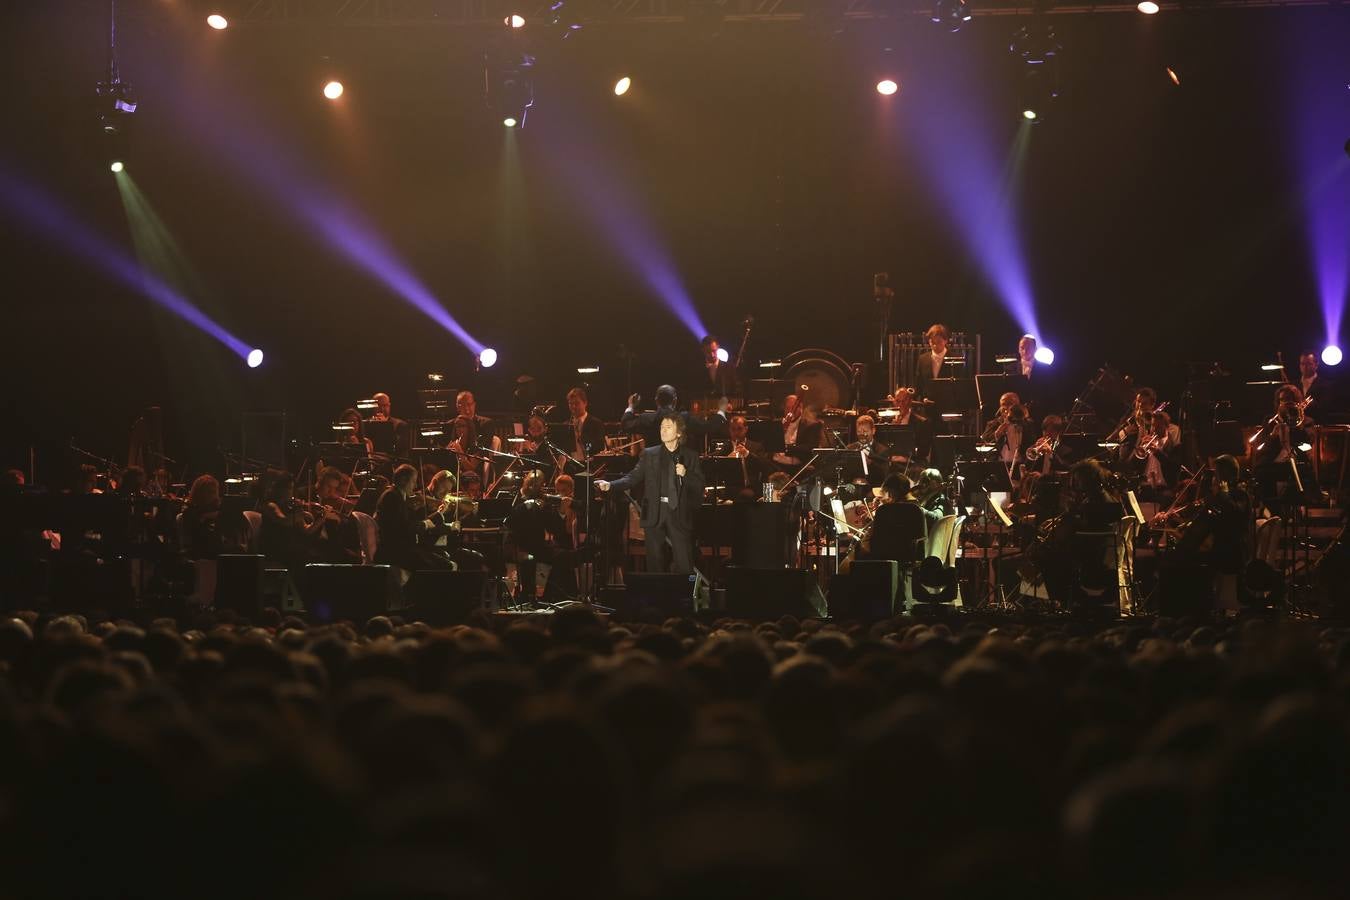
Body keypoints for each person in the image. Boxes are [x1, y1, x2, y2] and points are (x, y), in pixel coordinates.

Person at [597, 414, 705, 574]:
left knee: (684, 564)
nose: (663, 430)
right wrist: (611, 485)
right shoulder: (649, 454)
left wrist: (686, 474)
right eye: (662, 427)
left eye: (668, 427)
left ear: (679, 432)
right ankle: (657, 590)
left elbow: (699, 486)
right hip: (654, 512)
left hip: (679, 513)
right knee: (655, 563)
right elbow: (633, 477)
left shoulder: (690, 456)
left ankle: (687, 588)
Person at [374, 464, 450, 570]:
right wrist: (429, 521)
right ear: (403, 481)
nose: (415, 486)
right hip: (396, 551)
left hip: (402, 547)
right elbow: (405, 528)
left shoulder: (396, 495)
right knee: (446, 566)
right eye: (413, 481)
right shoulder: (392, 496)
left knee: (442, 560)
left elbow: (404, 523)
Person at [621, 384, 727, 448]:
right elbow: (709, 427)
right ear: (675, 401)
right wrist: (721, 411)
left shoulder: (646, 418)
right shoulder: (684, 418)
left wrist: (631, 406)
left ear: (656, 401)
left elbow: (625, 424)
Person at [179, 474, 246, 560]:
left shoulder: (219, 510)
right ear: (200, 493)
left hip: (219, 549)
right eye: (210, 492)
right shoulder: (190, 512)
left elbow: (240, 522)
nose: (213, 496)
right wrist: (205, 518)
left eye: (215, 492)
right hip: (202, 552)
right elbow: (195, 537)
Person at [564, 387, 607, 462]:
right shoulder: (566, 425)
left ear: (585, 403)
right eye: (570, 403)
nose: (573, 406)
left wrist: (586, 445)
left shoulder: (596, 423)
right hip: (571, 465)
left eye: (577, 403)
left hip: (591, 464)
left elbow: (600, 446)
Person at [697, 334, 739, 408]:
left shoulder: (729, 367)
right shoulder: (698, 369)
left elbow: (736, 389)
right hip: (705, 409)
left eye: (714, 351)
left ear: (718, 348)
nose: (712, 355)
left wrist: (731, 403)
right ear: (703, 351)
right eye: (708, 352)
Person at [368, 392, 410, 457]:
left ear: (389, 406)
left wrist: (385, 425)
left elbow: (400, 448)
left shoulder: (400, 425)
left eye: (384, 405)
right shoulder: (367, 423)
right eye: (378, 405)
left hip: (391, 460)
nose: (381, 409)